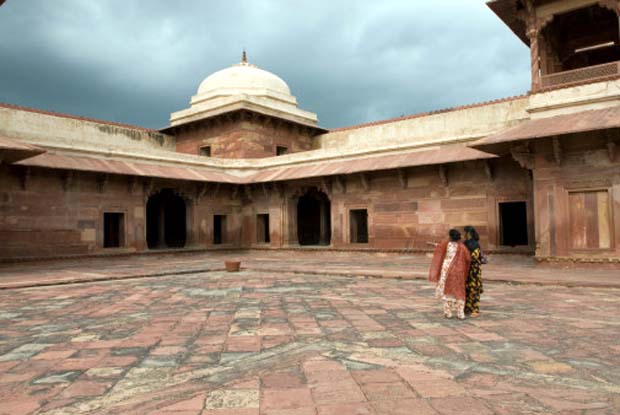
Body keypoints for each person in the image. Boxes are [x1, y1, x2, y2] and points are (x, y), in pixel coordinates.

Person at [429, 229, 471, 319]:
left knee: (447, 291)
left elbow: (439, 249)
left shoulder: (446, 244)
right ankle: (460, 313)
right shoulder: (462, 247)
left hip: (446, 269)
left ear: (451, 236)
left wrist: (434, 245)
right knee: (459, 290)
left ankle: (448, 313)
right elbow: (468, 259)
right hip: (458, 271)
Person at [463, 225, 484, 317]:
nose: (464, 234)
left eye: (465, 232)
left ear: (468, 233)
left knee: (474, 288)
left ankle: (475, 309)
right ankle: (467, 307)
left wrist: (465, 257)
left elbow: (475, 256)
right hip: (466, 269)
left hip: (474, 269)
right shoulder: (465, 243)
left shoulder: (475, 244)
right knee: (466, 287)